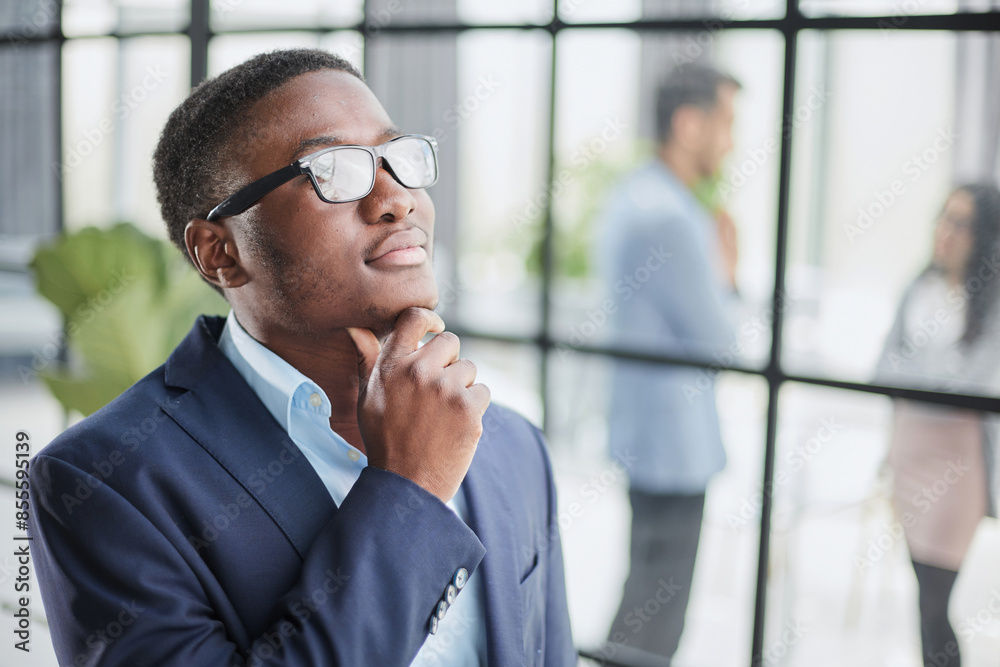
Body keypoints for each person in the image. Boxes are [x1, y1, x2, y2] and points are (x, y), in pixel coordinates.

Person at [28, 49, 575, 667]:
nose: (397, 199)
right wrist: (409, 489)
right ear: (221, 252)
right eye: (334, 172)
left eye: (399, 157)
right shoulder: (103, 483)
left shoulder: (511, 445)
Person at [600, 64, 741, 661]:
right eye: (726, 123)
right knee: (658, 609)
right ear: (688, 124)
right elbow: (722, 341)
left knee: (644, 590)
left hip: (645, 432)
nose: (731, 141)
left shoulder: (634, 194)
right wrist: (730, 269)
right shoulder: (675, 218)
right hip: (674, 445)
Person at [875, 184, 1000, 667]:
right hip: (908, 460)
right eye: (943, 218)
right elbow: (882, 369)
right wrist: (924, 379)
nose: (946, 233)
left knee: (934, 600)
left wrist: (917, 378)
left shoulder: (989, 304)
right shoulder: (917, 286)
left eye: (961, 223)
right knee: (921, 594)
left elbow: (963, 386)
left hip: (955, 469)